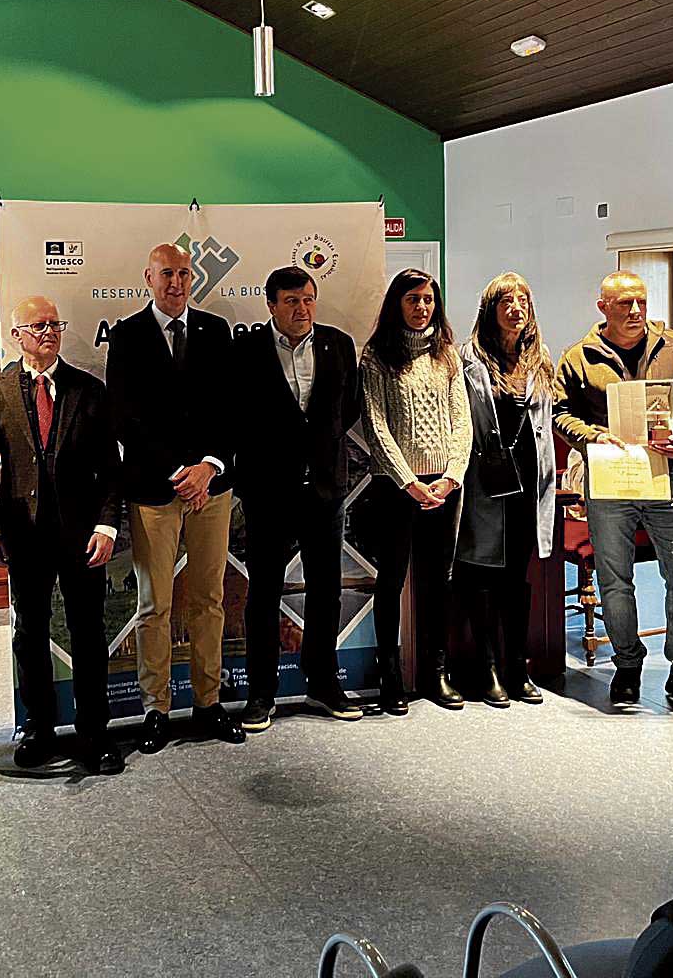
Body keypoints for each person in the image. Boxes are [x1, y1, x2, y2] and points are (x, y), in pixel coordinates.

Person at [552, 271, 673, 713]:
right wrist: (592, 437)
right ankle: (627, 665)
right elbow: (559, 413)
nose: (635, 311)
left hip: (668, 479)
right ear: (603, 307)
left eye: (641, 302)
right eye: (624, 303)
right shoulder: (579, 357)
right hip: (610, 482)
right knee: (615, 581)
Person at [0, 296, 123, 774]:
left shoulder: (89, 389)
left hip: (82, 535)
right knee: (30, 633)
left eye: (54, 324)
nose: (48, 332)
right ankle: (39, 728)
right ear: (16, 335)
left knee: (88, 633)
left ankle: (94, 732)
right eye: (37, 325)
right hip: (23, 535)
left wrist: (107, 524)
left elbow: (110, 466)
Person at [105, 243, 243, 752]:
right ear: (149, 277)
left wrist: (208, 466)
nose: (177, 282)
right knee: (155, 605)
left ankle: (208, 702)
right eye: (167, 273)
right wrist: (176, 471)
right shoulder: (126, 335)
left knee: (209, 600)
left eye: (184, 273)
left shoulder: (215, 331)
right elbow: (125, 417)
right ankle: (155, 709)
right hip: (153, 489)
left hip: (211, 488)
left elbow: (231, 409)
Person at [233, 266, 363, 732]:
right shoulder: (246, 349)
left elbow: (349, 407)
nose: (302, 309)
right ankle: (260, 693)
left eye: (308, 299)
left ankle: (323, 683)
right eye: (291, 301)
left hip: (325, 489)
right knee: (263, 592)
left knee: (326, 590)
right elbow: (236, 415)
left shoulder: (338, 344)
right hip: (268, 490)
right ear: (270, 305)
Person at [360, 268, 472, 714]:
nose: (422, 307)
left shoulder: (447, 355)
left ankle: (435, 672)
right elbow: (376, 426)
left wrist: (452, 476)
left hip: (445, 486)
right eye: (412, 299)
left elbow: (462, 421)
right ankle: (389, 676)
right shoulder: (376, 356)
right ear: (397, 304)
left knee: (438, 581)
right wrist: (409, 482)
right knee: (391, 581)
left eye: (428, 299)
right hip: (396, 487)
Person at [455, 273, 556, 708]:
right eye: (506, 301)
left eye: (523, 301)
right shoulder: (469, 357)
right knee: (482, 573)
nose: (516, 308)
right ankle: (488, 668)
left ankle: (518, 666)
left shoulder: (540, 358)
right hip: (487, 482)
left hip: (530, 484)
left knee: (516, 575)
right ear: (490, 310)